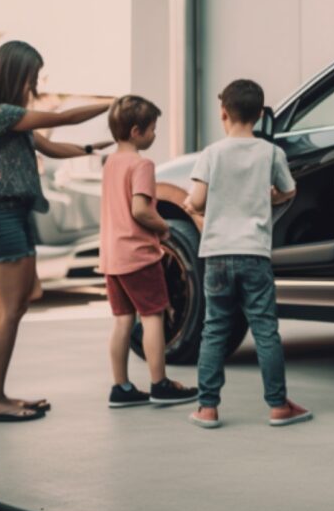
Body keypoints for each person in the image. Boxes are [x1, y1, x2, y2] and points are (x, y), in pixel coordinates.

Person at [0, 40, 111, 423]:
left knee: (27, 296)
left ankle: (0, 394)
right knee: (9, 311)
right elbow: (62, 119)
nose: (35, 81)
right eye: (33, 74)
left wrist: (91, 148)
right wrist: (114, 104)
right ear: (16, 73)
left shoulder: (16, 121)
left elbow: (51, 146)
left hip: (15, 215)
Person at [183, 79, 309, 429]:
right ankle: (278, 405)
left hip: (218, 255)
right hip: (255, 254)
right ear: (258, 115)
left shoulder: (211, 153)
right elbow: (289, 190)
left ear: (223, 112)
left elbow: (197, 200)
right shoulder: (271, 153)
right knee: (266, 330)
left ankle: (207, 408)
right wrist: (269, 198)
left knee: (214, 330)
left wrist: (190, 206)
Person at [101, 95, 199, 409]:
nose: (155, 135)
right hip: (138, 254)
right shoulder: (142, 164)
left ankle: (122, 387)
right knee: (153, 316)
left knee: (122, 321)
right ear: (135, 131)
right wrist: (163, 228)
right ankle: (160, 383)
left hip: (113, 257)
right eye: (152, 129)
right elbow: (141, 210)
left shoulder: (111, 163)